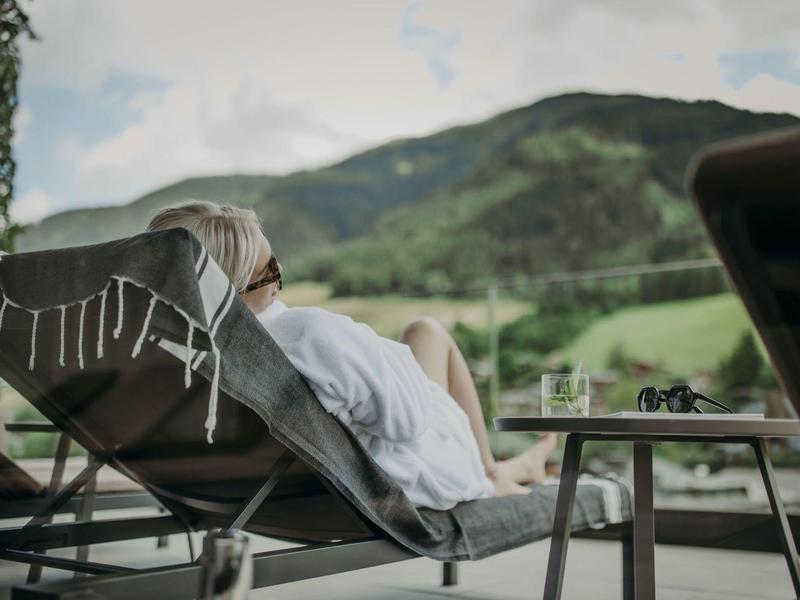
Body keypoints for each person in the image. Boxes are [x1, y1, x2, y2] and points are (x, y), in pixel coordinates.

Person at [147, 200, 556, 510]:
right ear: (233, 287)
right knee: (426, 331)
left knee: (420, 334)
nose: (278, 277)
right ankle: (493, 473)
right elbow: (407, 422)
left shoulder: (176, 351)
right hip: (408, 470)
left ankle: (514, 468)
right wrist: (383, 355)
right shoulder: (309, 334)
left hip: (264, 485)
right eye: (271, 271)